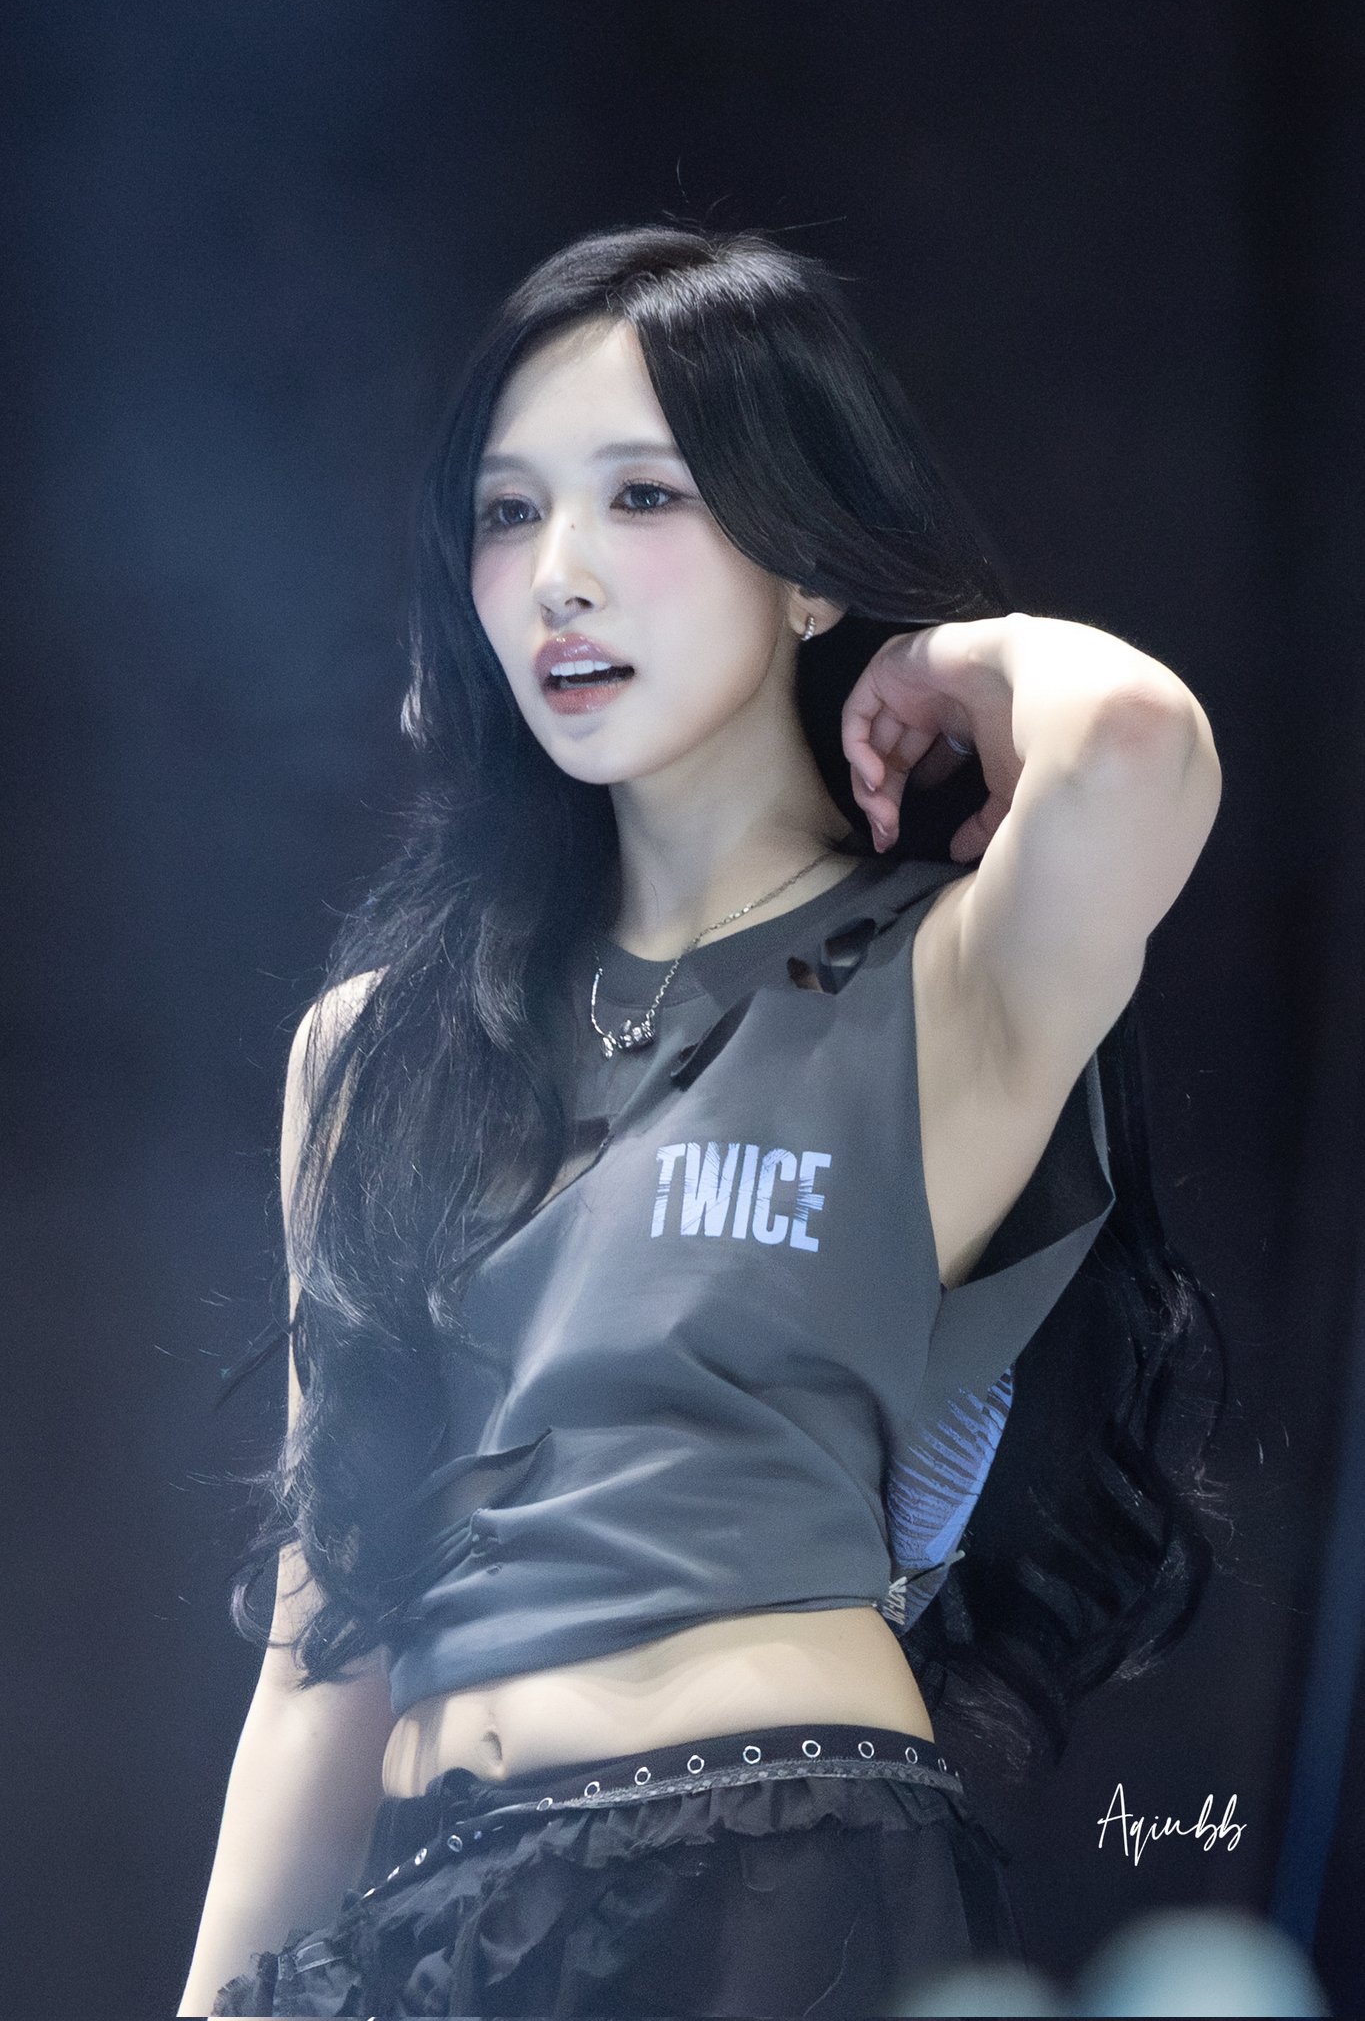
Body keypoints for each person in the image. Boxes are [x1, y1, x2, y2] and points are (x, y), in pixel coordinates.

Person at [180, 222, 1226, 2018]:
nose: (559, 576)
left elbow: (1133, 742)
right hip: (429, 1921)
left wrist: (947, 661)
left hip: (763, 1875)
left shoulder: (939, 980)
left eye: (644, 497)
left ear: (803, 559)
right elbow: (314, 1654)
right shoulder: (375, 1056)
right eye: (508, 514)